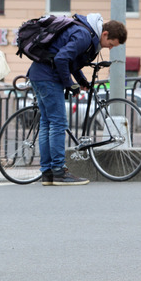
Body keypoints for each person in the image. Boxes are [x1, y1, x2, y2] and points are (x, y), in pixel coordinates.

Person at [28, 14, 127, 186]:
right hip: (48, 78)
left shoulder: (84, 32)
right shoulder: (83, 36)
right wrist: (69, 84)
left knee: (47, 123)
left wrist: (80, 81)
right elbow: (61, 59)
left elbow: (69, 60)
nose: (109, 49)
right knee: (58, 123)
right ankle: (58, 171)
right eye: (111, 44)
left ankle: (48, 173)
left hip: (39, 75)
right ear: (105, 34)